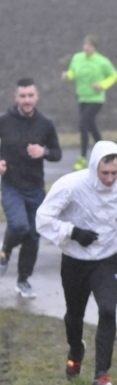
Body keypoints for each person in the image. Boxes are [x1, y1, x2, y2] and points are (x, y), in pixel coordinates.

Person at [36, 140, 117, 385]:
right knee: (74, 315)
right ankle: (75, 350)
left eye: (114, 173)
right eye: (104, 173)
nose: (109, 178)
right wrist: (73, 232)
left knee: (108, 310)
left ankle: (101, 375)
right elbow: (43, 218)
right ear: (95, 166)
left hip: (106, 259)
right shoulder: (71, 185)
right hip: (75, 260)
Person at [0, 78, 62, 298]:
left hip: (35, 188)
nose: (26, 100)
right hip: (11, 185)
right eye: (22, 96)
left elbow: (57, 153)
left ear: (37, 97)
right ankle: (4, 250)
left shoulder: (45, 124)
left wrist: (43, 151)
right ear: (16, 98)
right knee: (18, 226)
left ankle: (23, 280)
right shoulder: (4, 121)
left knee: (33, 237)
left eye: (30, 96)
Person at [61, 35, 117, 171]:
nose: (87, 48)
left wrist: (103, 84)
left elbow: (114, 74)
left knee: (83, 125)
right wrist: (67, 76)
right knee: (91, 127)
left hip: (96, 99)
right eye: (85, 45)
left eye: (90, 46)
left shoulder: (102, 61)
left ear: (95, 48)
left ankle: (82, 158)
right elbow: (73, 72)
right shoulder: (77, 58)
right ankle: (106, 153)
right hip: (82, 97)